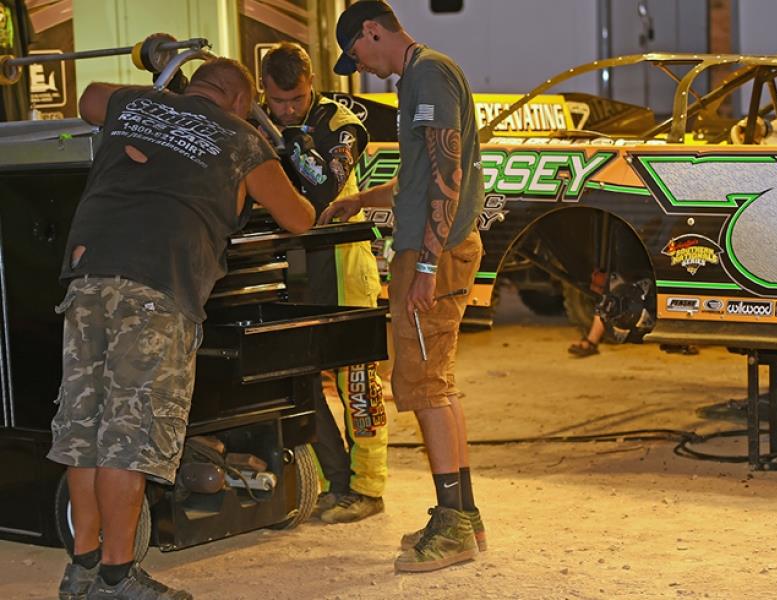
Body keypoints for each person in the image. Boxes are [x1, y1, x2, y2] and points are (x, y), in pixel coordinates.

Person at [48, 58, 315, 600]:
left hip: (88, 278)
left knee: (85, 430)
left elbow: (89, 97)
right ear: (241, 101)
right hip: (156, 288)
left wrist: (156, 103)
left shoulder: (137, 103)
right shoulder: (241, 139)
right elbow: (299, 217)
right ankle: (117, 578)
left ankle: (82, 567)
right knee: (129, 440)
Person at [321, 0, 486, 573]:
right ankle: (464, 515)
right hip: (434, 248)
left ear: (372, 31)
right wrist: (360, 200)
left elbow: (447, 174)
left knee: (424, 388)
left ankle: (454, 528)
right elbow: (417, 179)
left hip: (432, 253)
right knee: (438, 382)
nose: (362, 67)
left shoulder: (428, 75)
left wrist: (426, 266)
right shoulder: (423, 74)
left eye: (357, 54)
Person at [260, 42, 388, 524]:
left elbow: (322, 187)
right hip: (287, 266)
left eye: (296, 98)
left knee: (358, 382)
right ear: (264, 90)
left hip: (342, 262)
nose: (287, 109)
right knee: (298, 379)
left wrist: (282, 137)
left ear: (311, 83)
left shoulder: (341, 124)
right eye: (277, 101)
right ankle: (335, 481)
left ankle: (368, 488)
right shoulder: (255, 121)